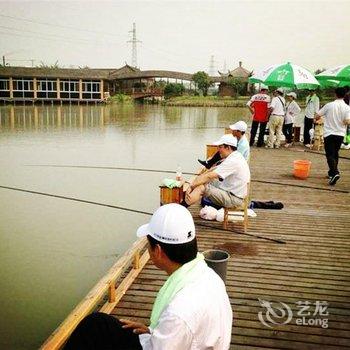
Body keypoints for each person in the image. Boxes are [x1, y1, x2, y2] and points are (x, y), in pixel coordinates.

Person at [64, 204, 233, 350]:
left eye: (149, 246)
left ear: (158, 251)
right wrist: (153, 333)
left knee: (90, 333)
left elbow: (178, 326)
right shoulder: (209, 275)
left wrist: (154, 336)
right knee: (98, 324)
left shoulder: (179, 312)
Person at [185, 134, 250, 208]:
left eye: (220, 147)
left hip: (234, 199)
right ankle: (186, 202)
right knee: (204, 181)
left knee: (202, 187)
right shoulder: (235, 156)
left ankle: (184, 206)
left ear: (228, 147)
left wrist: (191, 186)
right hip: (231, 191)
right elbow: (214, 169)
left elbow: (209, 176)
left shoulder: (233, 161)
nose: (218, 150)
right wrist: (200, 178)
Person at [314, 87, 350, 186]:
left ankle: (335, 172)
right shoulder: (347, 107)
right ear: (344, 95)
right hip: (340, 134)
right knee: (335, 153)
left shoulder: (329, 105)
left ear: (335, 94)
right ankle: (331, 173)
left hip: (329, 133)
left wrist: (317, 119)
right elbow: (347, 121)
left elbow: (317, 115)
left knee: (329, 154)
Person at [340, 85, 350, 149]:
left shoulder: (345, 97)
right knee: (347, 129)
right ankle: (346, 142)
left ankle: (345, 142)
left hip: (345, 115)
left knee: (345, 129)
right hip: (347, 115)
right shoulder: (347, 97)